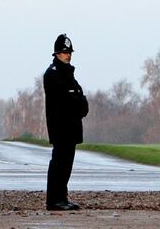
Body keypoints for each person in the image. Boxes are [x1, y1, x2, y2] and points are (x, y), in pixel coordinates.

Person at [43, 33, 88, 211]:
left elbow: (80, 100)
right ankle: (54, 199)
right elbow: (66, 100)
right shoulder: (53, 74)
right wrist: (77, 100)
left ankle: (61, 197)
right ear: (56, 54)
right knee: (59, 164)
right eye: (63, 52)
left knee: (66, 164)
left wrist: (78, 101)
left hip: (72, 127)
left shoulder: (68, 74)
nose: (67, 55)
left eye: (69, 52)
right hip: (61, 126)